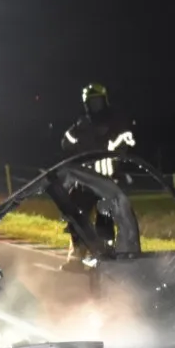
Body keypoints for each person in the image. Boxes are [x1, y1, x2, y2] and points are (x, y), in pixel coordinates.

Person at [59, 83, 136, 265]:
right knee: (77, 217)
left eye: (98, 101)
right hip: (84, 181)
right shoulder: (81, 123)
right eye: (91, 102)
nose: (95, 105)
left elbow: (126, 139)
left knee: (106, 219)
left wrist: (121, 139)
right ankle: (76, 256)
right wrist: (75, 131)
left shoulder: (115, 122)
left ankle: (105, 256)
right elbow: (65, 144)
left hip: (106, 182)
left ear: (104, 101)